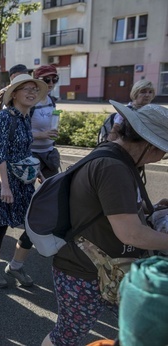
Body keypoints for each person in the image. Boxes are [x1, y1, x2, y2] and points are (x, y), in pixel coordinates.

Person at [41, 102, 168, 346]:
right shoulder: (114, 168)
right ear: (149, 144)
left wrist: (148, 210)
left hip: (99, 268)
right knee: (66, 337)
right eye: (163, 149)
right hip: (87, 272)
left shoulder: (112, 154)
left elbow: (110, 209)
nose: (162, 156)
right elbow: (131, 233)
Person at [0, 73, 48, 288]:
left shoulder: (25, 116)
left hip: (23, 180)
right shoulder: (4, 118)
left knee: (33, 225)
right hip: (2, 181)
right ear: (14, 95)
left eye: (34, 89)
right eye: (26, 89)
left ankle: (16, 266)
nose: (32, 93)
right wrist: (4, 185)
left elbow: (24, 149)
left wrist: (35, 170)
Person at [31, 65, 61, 179]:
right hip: (31, 155)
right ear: (36, 81)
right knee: (29, 193)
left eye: (54, 80)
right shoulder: (30, 101)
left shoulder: (51, 100)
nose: (51, 83)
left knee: (52, 190)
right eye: (46, 80)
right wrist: (41, 135)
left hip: (49, 154)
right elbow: (18, 133)